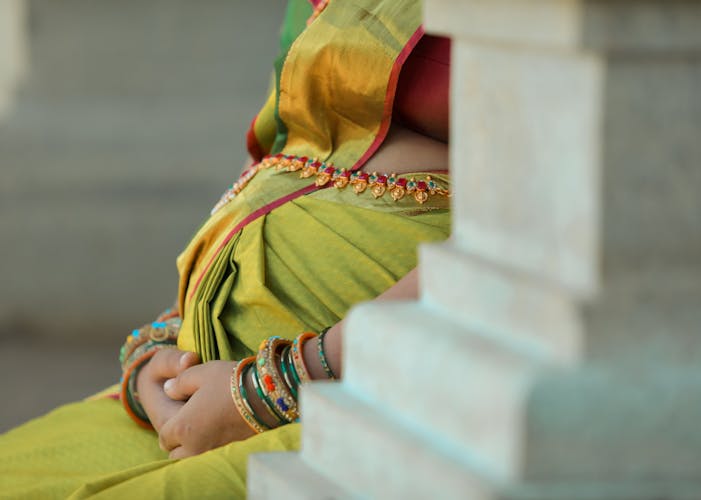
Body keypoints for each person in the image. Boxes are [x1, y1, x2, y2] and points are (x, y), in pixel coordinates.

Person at [0, 0, 451, 497]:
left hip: (378, 391)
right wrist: (164, 349)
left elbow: (541, 245)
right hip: (202, 389)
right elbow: (281, 148)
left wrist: (285, 383)